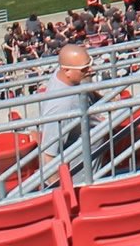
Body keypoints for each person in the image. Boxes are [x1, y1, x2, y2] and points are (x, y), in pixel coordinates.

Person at [34, 42, 100, 188]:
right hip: (80, 181)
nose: (91, 70)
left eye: (90, 64)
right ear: (67, 71)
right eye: (84, 69)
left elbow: (85, 85)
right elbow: (48, 155)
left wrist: (101, 99)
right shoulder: (61, 106)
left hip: (89, 169)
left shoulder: (66, 76)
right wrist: (65, 193)